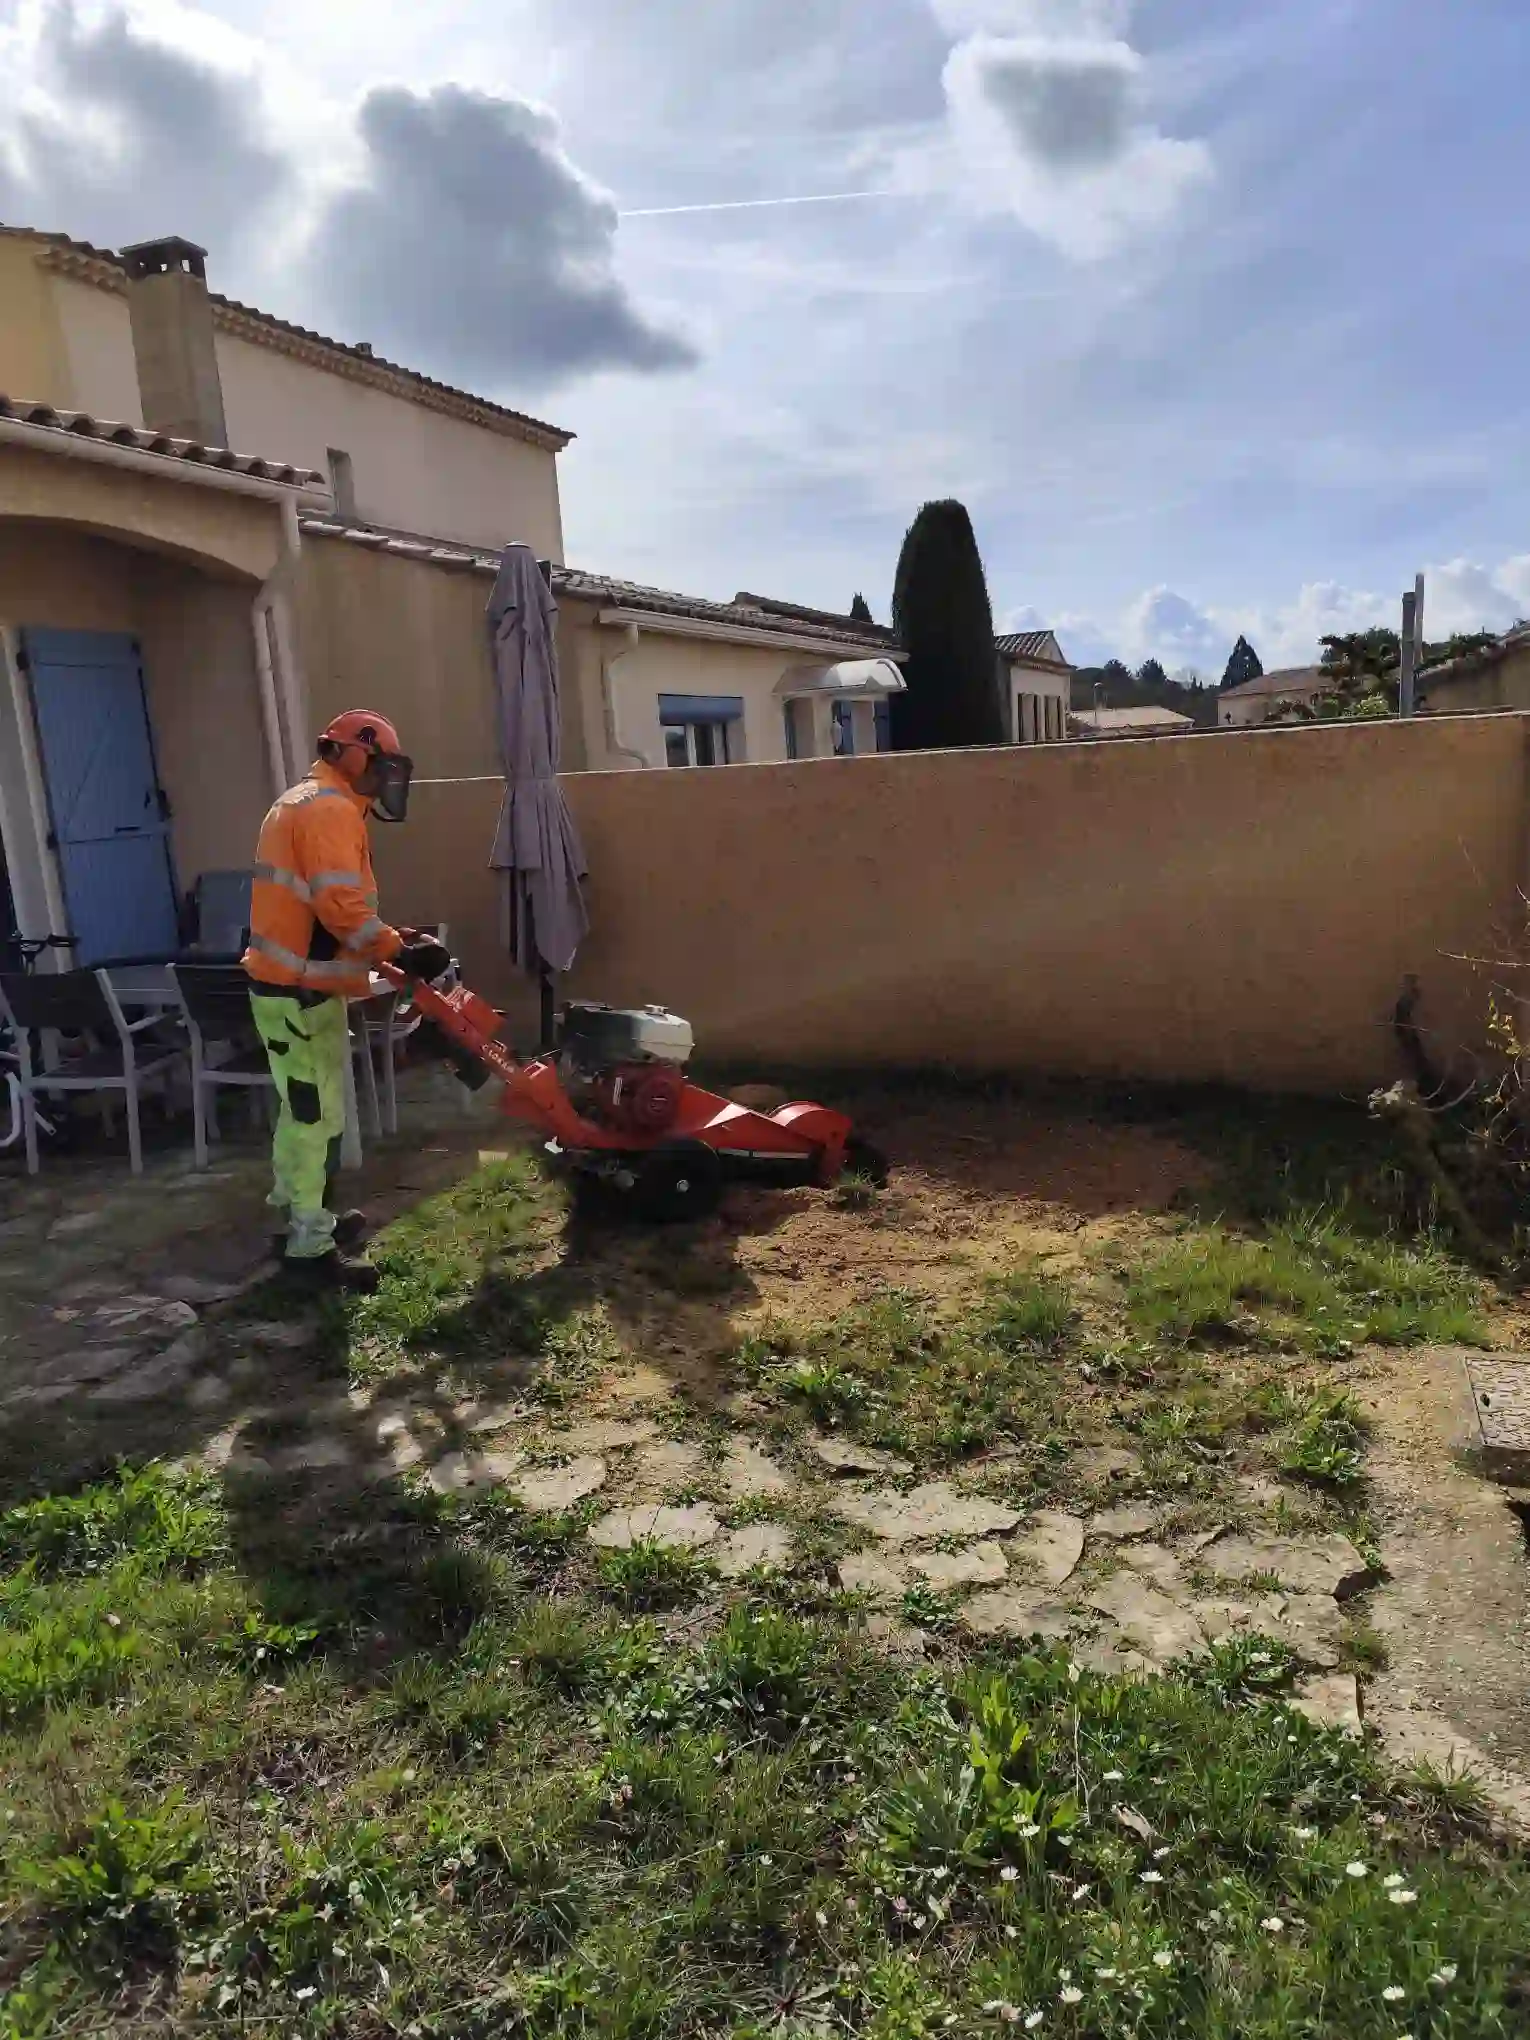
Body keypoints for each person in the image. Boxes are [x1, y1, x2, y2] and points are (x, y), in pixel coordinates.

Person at [243, 710, 450, 1290]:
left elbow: (325, 914)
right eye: (381, 766)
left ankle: (302, 1218)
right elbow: (340, 908)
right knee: (314, 1116)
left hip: (301, 987)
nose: (386, 780)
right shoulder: (327, 810)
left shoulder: (310, 803)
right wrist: (398, 952)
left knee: (309, 1111)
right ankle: (308, 1248)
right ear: (351, 754)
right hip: (296, 992)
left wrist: (395, 946)